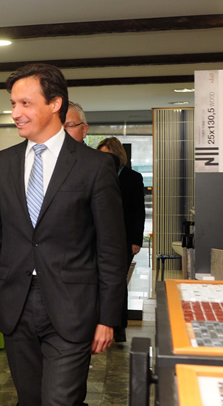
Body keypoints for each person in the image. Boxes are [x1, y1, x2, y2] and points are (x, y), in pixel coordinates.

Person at [0, 63, 127, 406]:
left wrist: (109, 317)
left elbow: (111, 249)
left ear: (55, 104)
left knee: (59, 400)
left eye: (25, 103)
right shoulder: (1, 164)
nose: (15, 113)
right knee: (29, 399)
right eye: (13, 104)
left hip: (73, 308)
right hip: (16, 305)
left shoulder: (94, 166)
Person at [96, 137, 146, 343]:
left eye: (108, 155)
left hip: (124, 239)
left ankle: (119, 326)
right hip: (98, 238)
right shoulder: (94, 175)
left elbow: (139, 211)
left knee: (117, 281)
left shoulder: (132, 178)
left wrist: (136, 241)